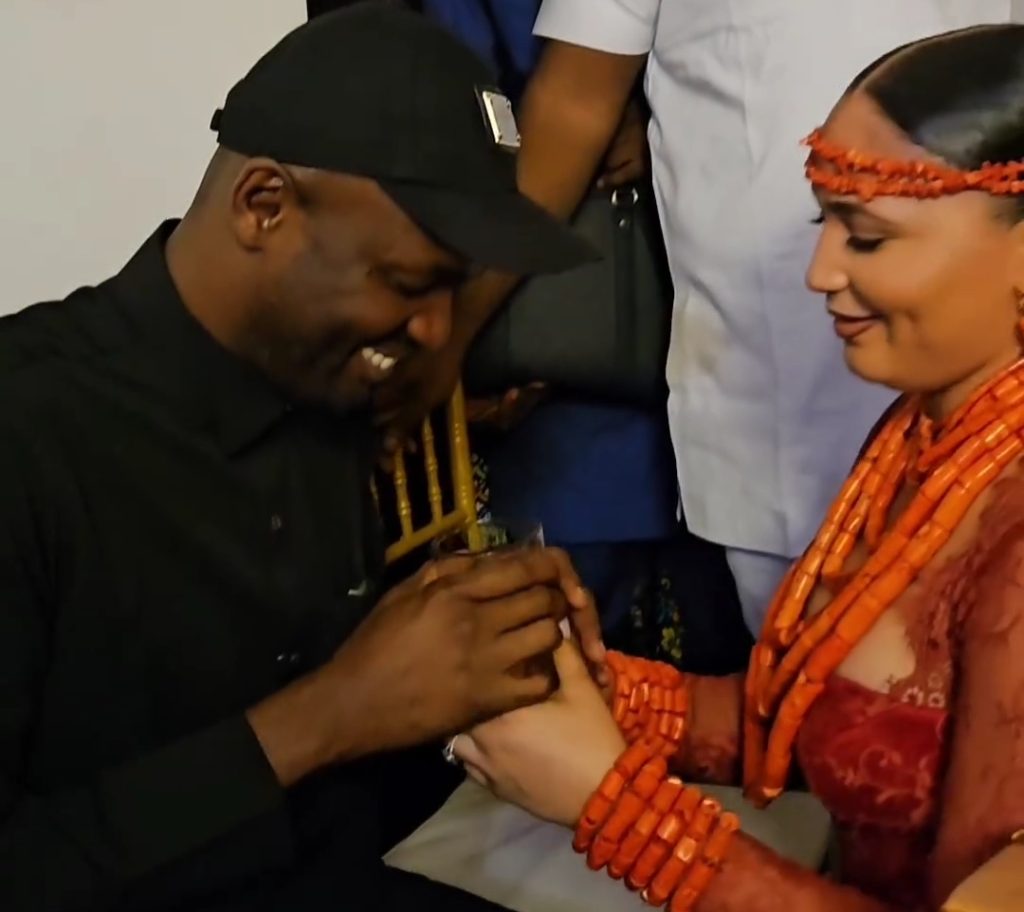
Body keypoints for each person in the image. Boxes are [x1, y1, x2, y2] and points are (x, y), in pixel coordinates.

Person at [0, 8, 607, 911]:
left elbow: (347, 805)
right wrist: (333, 713)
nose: (436, 333)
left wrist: (476, 661)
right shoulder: (28, 433)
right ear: (264, 206)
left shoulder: (332, 393)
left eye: (454, 289)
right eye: (408, 284)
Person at [450, 23, 1024, 912]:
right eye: (824, 222)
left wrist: (620, 810)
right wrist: (596, 687)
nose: (819, 273)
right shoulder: (923, 439)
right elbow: (817, 725)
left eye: (867, 237)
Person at [374, 0, 1019, 636]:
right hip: (770, 422)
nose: (822, 268)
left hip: (980, 398)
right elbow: (574, 106)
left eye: (867, 236)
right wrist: (454, 329)